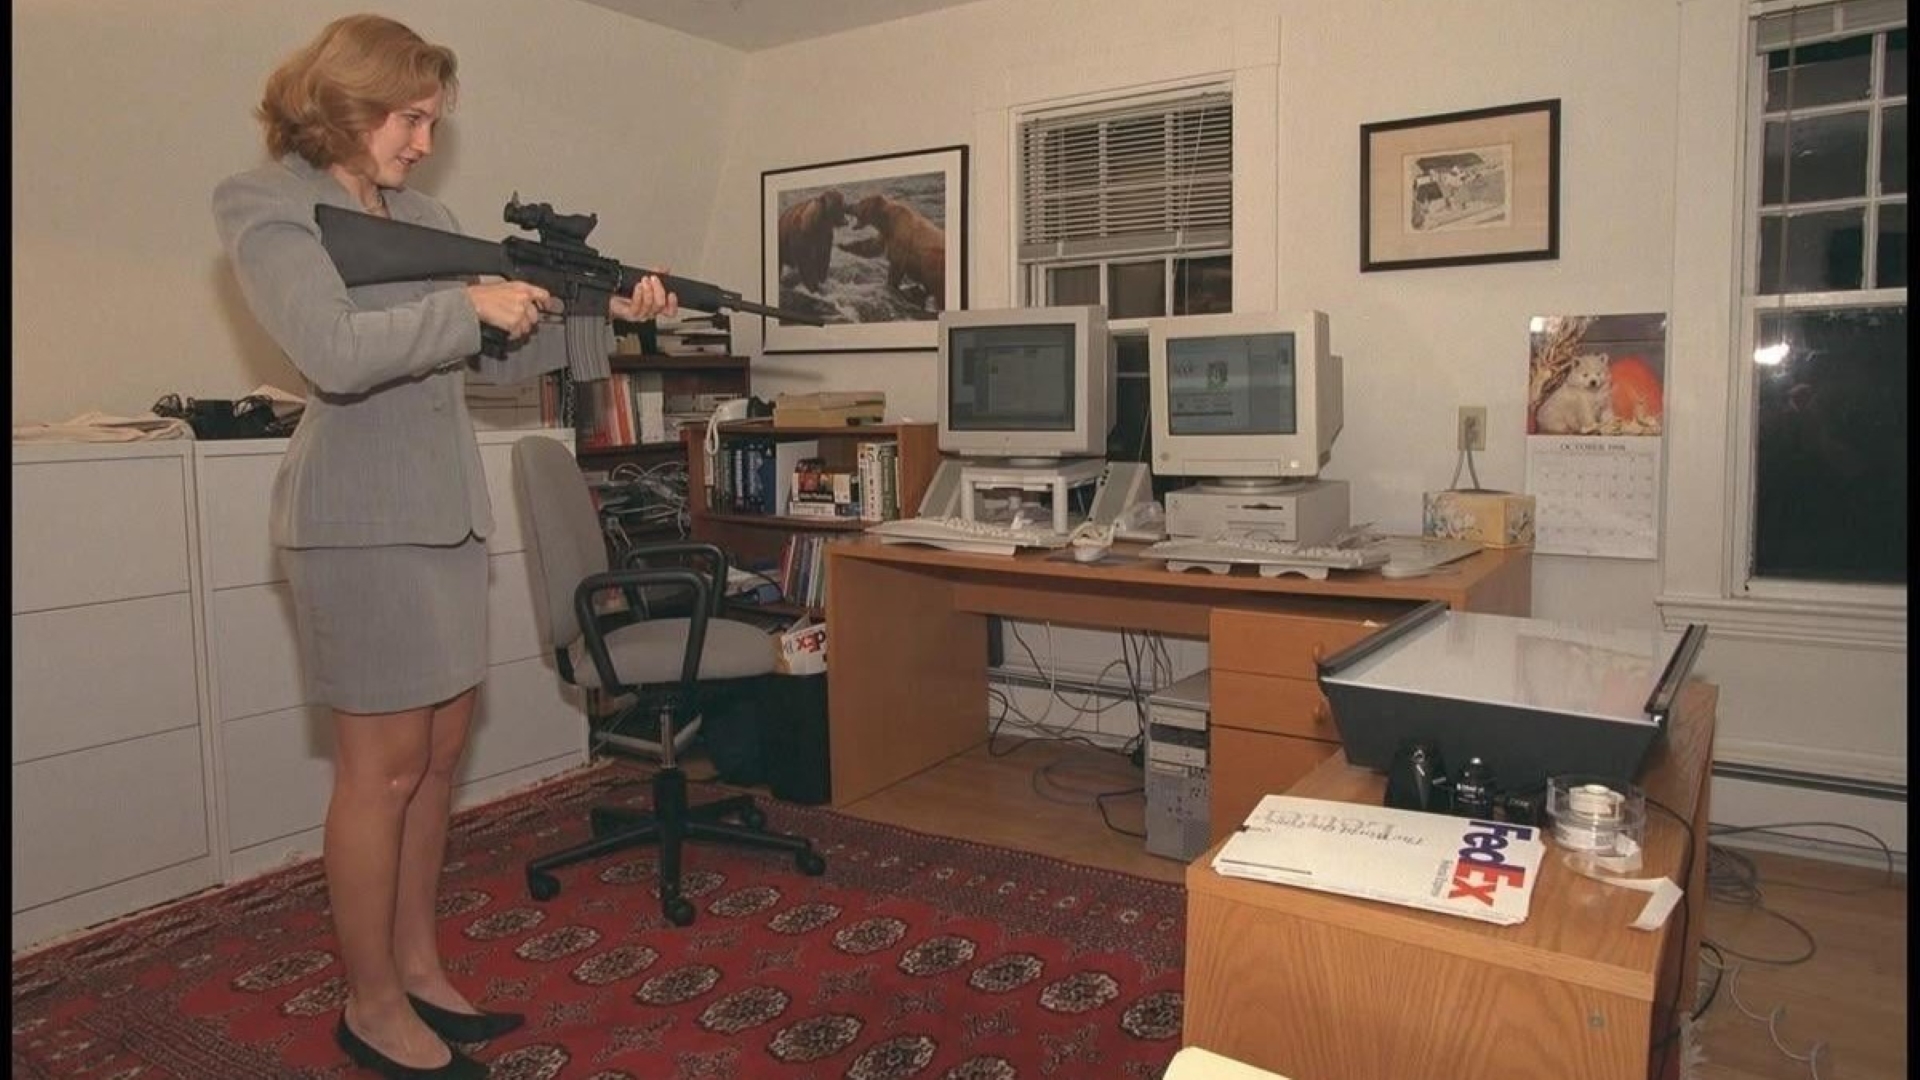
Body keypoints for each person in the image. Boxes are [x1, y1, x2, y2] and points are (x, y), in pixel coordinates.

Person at [212, 15, 676, 1079]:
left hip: (444, 512)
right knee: (378, 775)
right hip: (358, 519)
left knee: (432, 764)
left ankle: (417, 969)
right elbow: (332, 352)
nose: (424, 143)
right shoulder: (266, 203)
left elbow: (491, 368)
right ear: (344, 101)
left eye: (431, 122)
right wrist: (470, 306)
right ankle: (370, 1004)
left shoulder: (424, 218)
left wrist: (602, 313)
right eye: (408, 119)